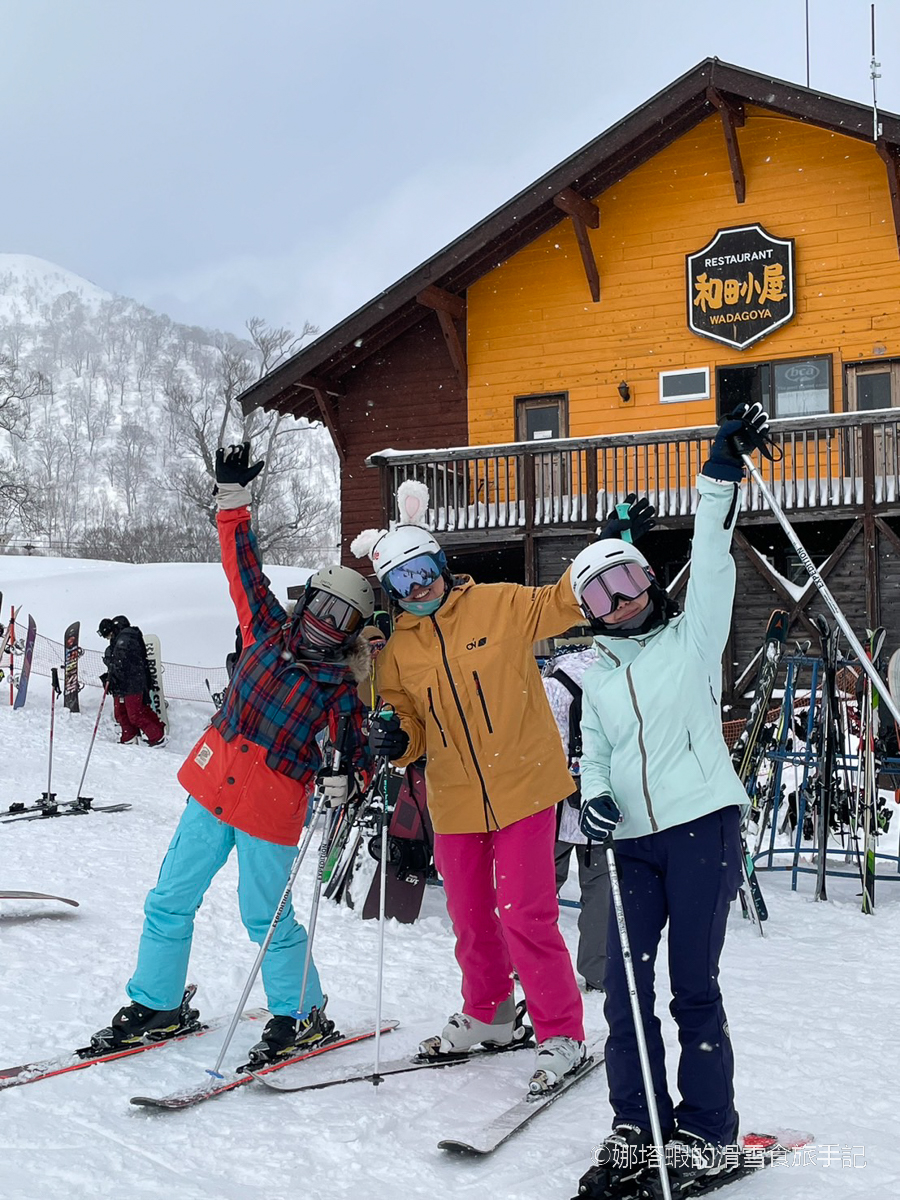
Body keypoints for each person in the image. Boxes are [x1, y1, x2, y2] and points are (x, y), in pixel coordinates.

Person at [89, 442, 375, 1067]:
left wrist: (344, 778)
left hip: (271, 813)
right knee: (169, 898)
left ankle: (301, 1013)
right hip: (211, 791)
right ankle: (158, 1002)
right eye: (323, 604)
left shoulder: (341, 692)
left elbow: (358, 765)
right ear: (309, 602)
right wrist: (234, 500)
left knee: (265, 919)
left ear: (354, 630)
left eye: (343, 617)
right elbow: (242, 565)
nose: (328, 621)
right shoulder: (266, 628)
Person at [569, 403, 772, 1197]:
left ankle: (706, 1131)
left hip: (699, 831)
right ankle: (636, 1124)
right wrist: (594, 799)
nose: (618, 603)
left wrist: (719, 475)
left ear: (651, 581)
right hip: (631, 846)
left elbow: (715, 558)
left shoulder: (691, 639)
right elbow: (597, 753)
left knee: (692, 986)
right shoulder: (600, 675)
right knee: (625, 992)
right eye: (600, 596)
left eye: (627, 582)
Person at [352, 479, 587, 1093]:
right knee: (470, 915)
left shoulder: (499, 606)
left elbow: (562, 602)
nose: (418, 588)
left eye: (424, 571)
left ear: (442, 563)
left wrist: (607, 547)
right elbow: (405, 719)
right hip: (454, 799)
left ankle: (561, 1031)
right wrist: (395, 740)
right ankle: (491, 1014)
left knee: (524, 913)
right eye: (402, 583)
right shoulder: (397, 647)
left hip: (526, 785)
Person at [98, 615, 166, 747]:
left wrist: (112, 677)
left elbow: (123, 664)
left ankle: (157, 736)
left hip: (132, 684)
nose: (106, 638)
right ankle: (130, 736)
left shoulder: (125, 639)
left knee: (135, 713)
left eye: (106, 635)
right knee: (122, 713)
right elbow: (117, 663)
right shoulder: (119, 640)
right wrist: (111, 676)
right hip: (126, 683)